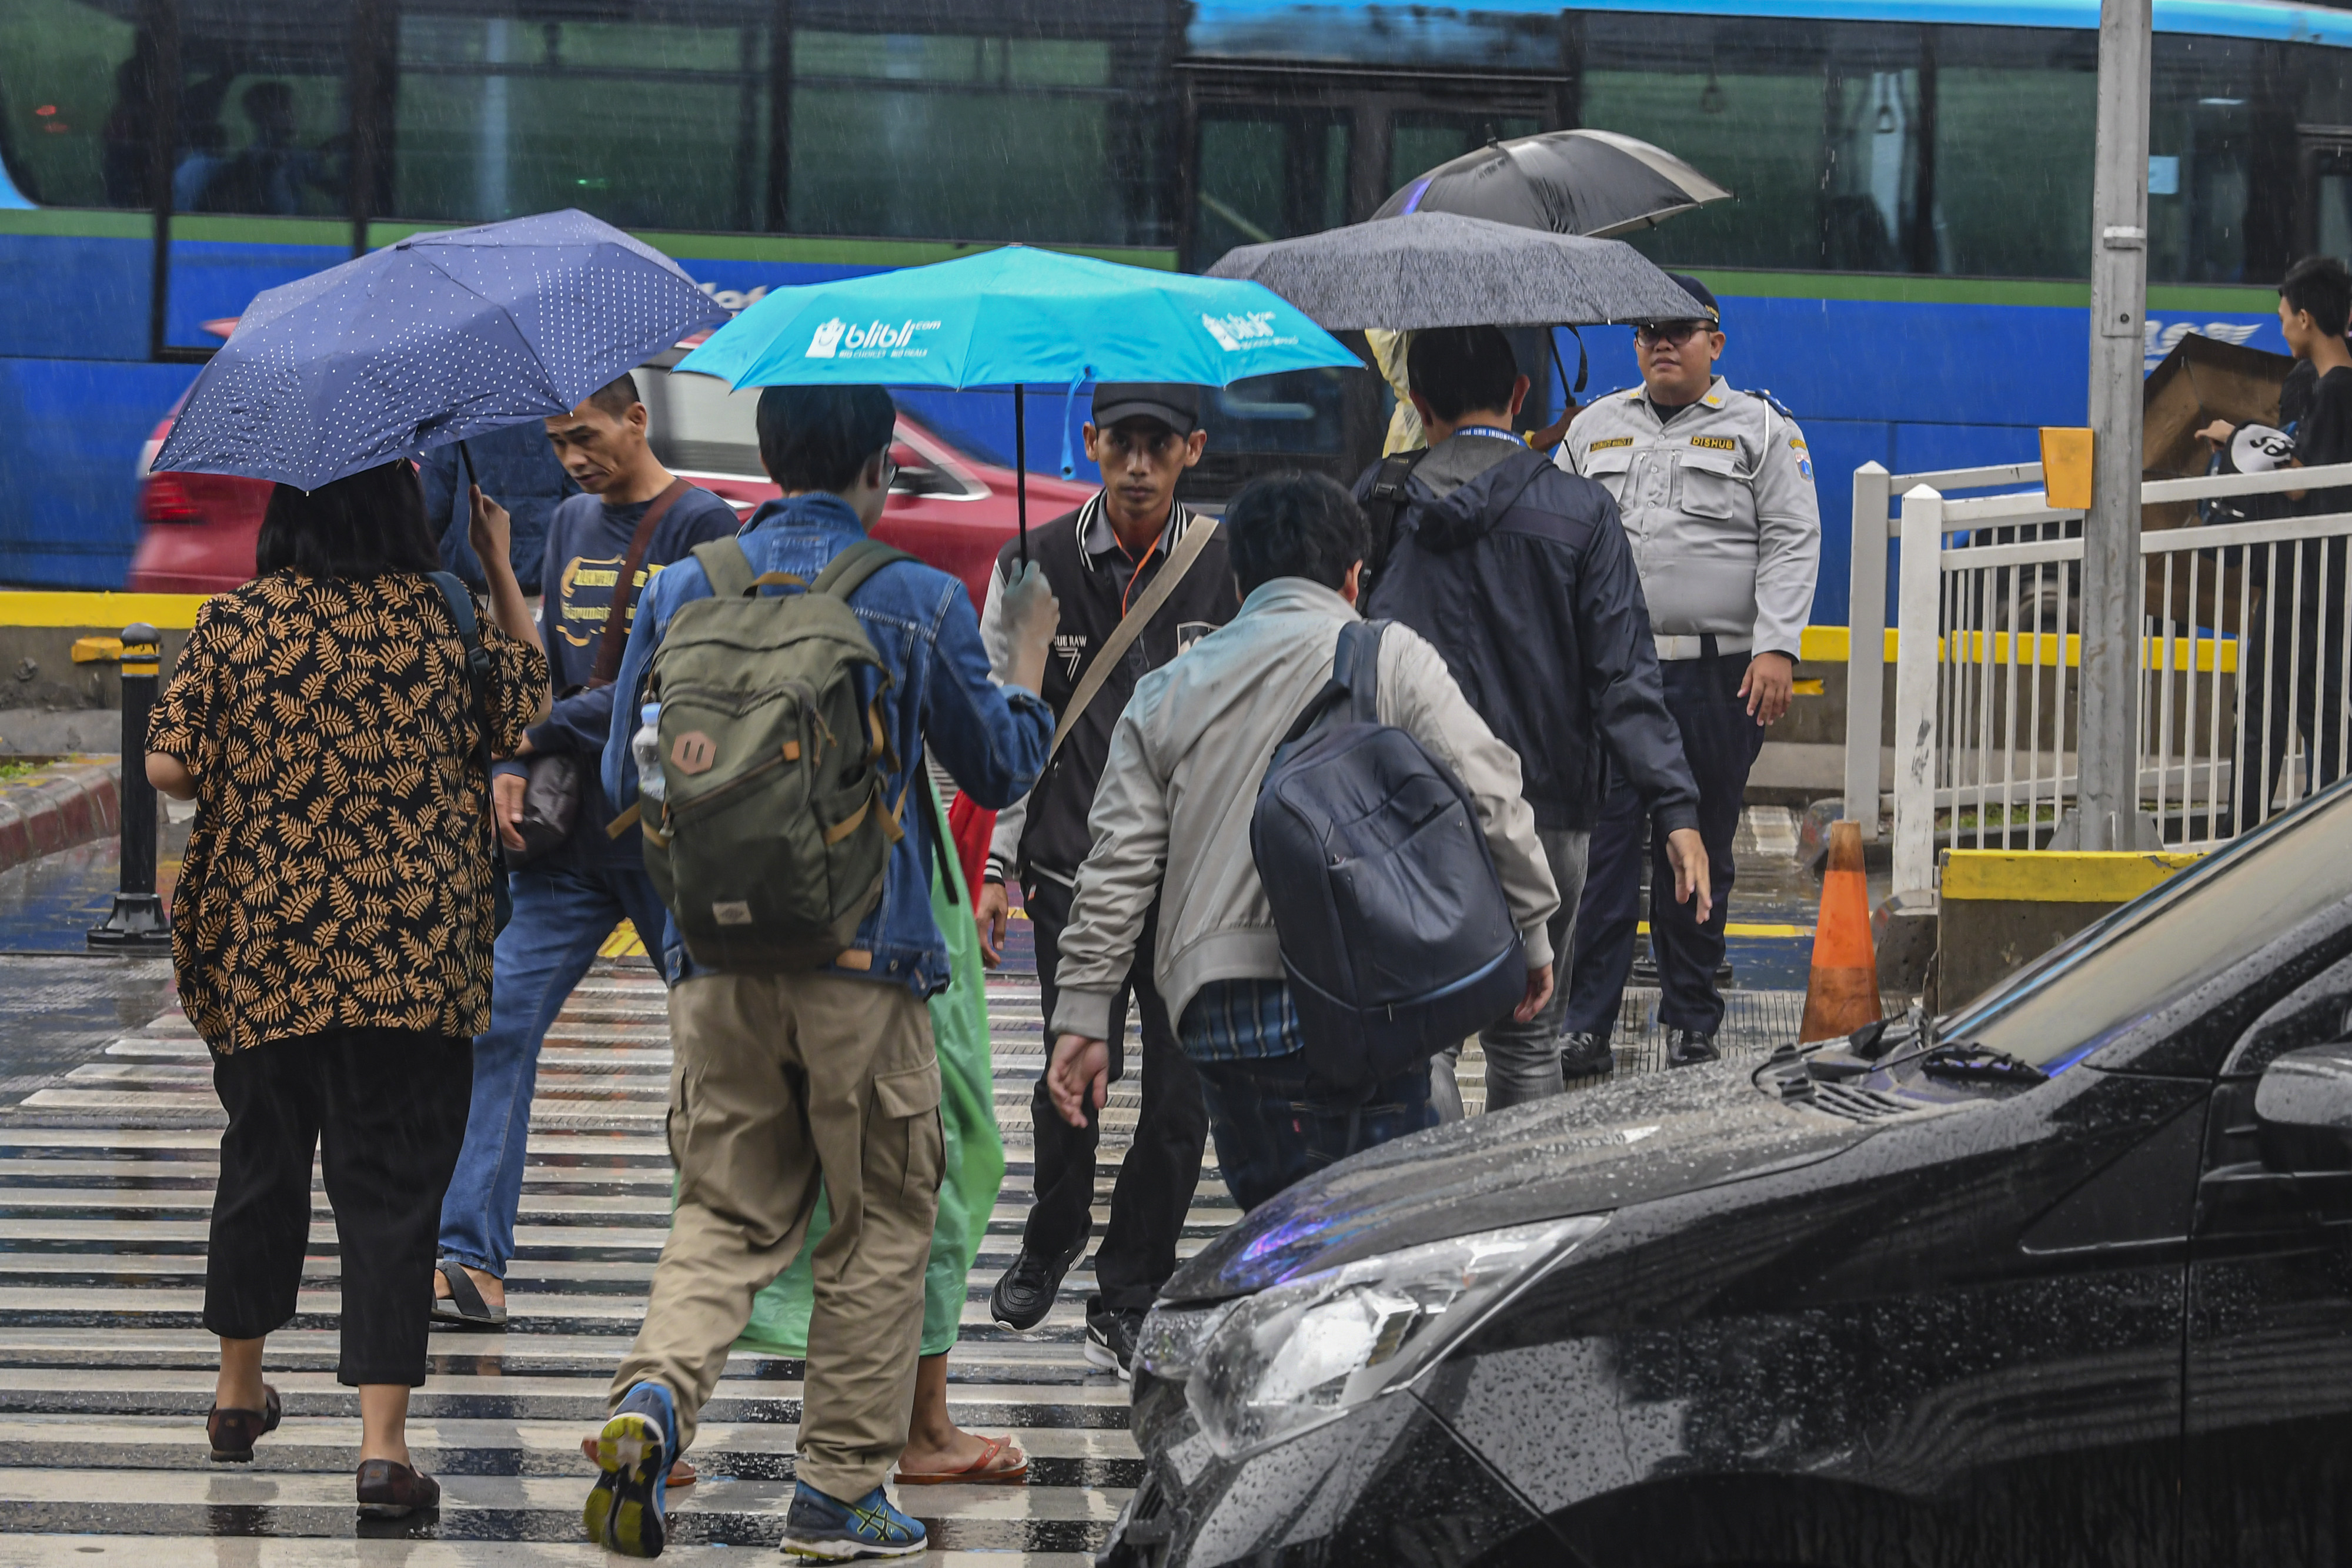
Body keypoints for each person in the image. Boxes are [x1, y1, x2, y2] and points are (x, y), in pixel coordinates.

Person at [585, 383, 1054, 1560]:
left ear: (766, 454)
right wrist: (1030, 663)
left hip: (714, 965)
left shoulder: (688, 587)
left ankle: (653, 1398)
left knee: (725, 1208)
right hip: (862, 967)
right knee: (883, 1218)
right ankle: (838, 1489)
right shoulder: (910, 598)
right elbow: (993, 764)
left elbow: (614, 780)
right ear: (879, 468)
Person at [145, 461, 546, 1517]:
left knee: (261, 1163)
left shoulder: (236, 623)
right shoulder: (444, 619)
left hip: (266, 950)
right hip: (413, 958)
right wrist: (500, 567)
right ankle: (381, 1448)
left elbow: (168, 770)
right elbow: (529, 712)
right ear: (404, 515)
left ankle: (238, 1393)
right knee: (393, 1191)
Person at [1042, 472, 1559, 1213]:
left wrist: (1085, 1015)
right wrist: (1533, 933)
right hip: (1365, 1005)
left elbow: (1114, 869)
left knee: (1279, 1233)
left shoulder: (1169, 688)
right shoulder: (1390, 658)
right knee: (1385, 1235)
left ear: (1241, 576)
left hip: (1218, 1017)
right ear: (1355, 575)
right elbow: (1491, 794)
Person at [431, 375, 740, 1331]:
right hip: (569, 844)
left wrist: (537, 733)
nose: (573, 455)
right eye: (560, 439)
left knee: (725, 1052)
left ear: (637, 421)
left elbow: (694, 676)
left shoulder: (704, 524)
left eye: (589, 434)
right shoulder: (565, 524)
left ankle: (747, 1260)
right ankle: (468, 1255)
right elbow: (549, 676)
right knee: (493, 1020)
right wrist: (496, 565)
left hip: (668, 837)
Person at [1361, 326, 1709, 1103]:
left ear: (1417, 402)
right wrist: (1677, 809)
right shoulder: (1582, 511)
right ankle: (1517, 1217)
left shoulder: (1381, 498)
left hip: (1408, 808)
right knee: (1528, 1041)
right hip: (1549, 811)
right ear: (1520, 396)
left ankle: (1431, 1214)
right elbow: (1626, 672)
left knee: (1425, 1046)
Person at [975, 382, 1226, 1378]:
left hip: (1191, 879)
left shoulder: (1224, 565)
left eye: (1158, 446)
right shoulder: (1033, 566)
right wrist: (996, 863)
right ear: (1088, 443)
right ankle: (1053, 1232)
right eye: (1121, 443)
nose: (1137, 464)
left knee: (1180, 1098)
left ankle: (1131, 1281)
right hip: (1069, 869)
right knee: (1068, 1072)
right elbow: (1006, 726)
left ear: (1191, 451)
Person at [1556, 275, 1820, 1067]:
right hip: (1610, 678)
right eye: (1647, 332)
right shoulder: (1592, 430)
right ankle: (1586, 1022)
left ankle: (1693, 1017)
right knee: (1602, 855)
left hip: (1716, 679)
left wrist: (1776, 647)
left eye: (1679, 330)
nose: (1661, 343)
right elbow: (1557, 544)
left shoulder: (1763, 432)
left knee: (1700, 844)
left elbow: (1791, 538)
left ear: (1717, 342)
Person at [734, 784, 1027, 1486]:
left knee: (746, 1161)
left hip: (748, 887)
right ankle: (916, 1431)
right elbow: (993, 751)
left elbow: (633, 768)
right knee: (930, 1155)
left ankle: (661, 1409)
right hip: (894, 887)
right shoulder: (895, 670)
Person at [2196, 255, 2352, 833]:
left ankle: (2245, 835)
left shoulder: (2333, 392)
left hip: (2301, 579)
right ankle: (2325, 832)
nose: (2281, 326)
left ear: (2306, 319)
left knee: (2263, 710)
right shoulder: (2333, 386)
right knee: (2318, 710)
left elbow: (2299, 481)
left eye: (2284, 316)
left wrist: (2232, 437)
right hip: (2324, 577)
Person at [419, 420, 583, 595]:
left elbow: (434, 498)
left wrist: (418, 560)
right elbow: (576, 499)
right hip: (541, 573)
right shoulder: (554, 409)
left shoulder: (459, 410)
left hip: (470, 571)